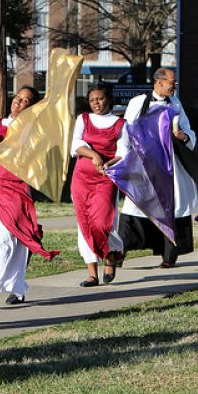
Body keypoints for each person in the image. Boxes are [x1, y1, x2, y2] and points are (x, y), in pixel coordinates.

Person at [0, 86, 60, 308]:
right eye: (17, 98)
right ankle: (16, 289)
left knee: (11, 236)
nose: (18, 103)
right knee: (10, 235)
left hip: (18, 188)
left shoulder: (32, 130)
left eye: (25, 101)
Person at [120, 68, 198, 268]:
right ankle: (120, 251)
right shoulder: (138, 103)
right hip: (144, 165)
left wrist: (184, 136)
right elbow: (126, 132)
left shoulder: (176, 103)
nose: (175, 86)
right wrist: (124, 158)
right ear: (159, 82)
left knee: (171, 208)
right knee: (137, 206)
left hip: (170, 165)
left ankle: (169, 255)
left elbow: (188, 129)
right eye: (173, 82)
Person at [70, 84, 129, 287]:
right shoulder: (83, 119)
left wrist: (108, 163)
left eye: (100, 98)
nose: (96, 103)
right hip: (81, 179)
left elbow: (123, 152)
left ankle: (112, 254)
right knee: (84, 224)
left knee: (103, 223)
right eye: (93, 99)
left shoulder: (120, 124)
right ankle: (92, 273)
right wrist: (93, 154)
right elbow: (75, 145)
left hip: (106, 178)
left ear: (109, 99)